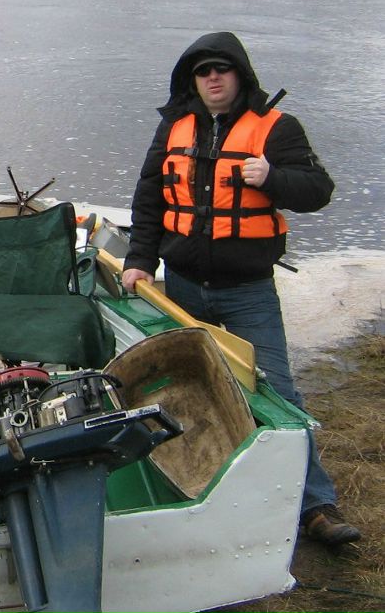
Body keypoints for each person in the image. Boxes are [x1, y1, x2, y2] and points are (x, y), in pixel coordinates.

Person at [121, 31, 361, 547]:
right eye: (202, 71)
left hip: (247, 291)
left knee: (278, 392)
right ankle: (191, 486)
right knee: (177, 392)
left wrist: (273, 176)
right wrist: (139, 262)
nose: (211, 78)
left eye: (221, 70)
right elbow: (148, 199)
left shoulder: (277, 128)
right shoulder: (173, 128)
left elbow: (318, 190)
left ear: (240, 76)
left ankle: (316, 505)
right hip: (181, 287)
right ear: (193, 80)